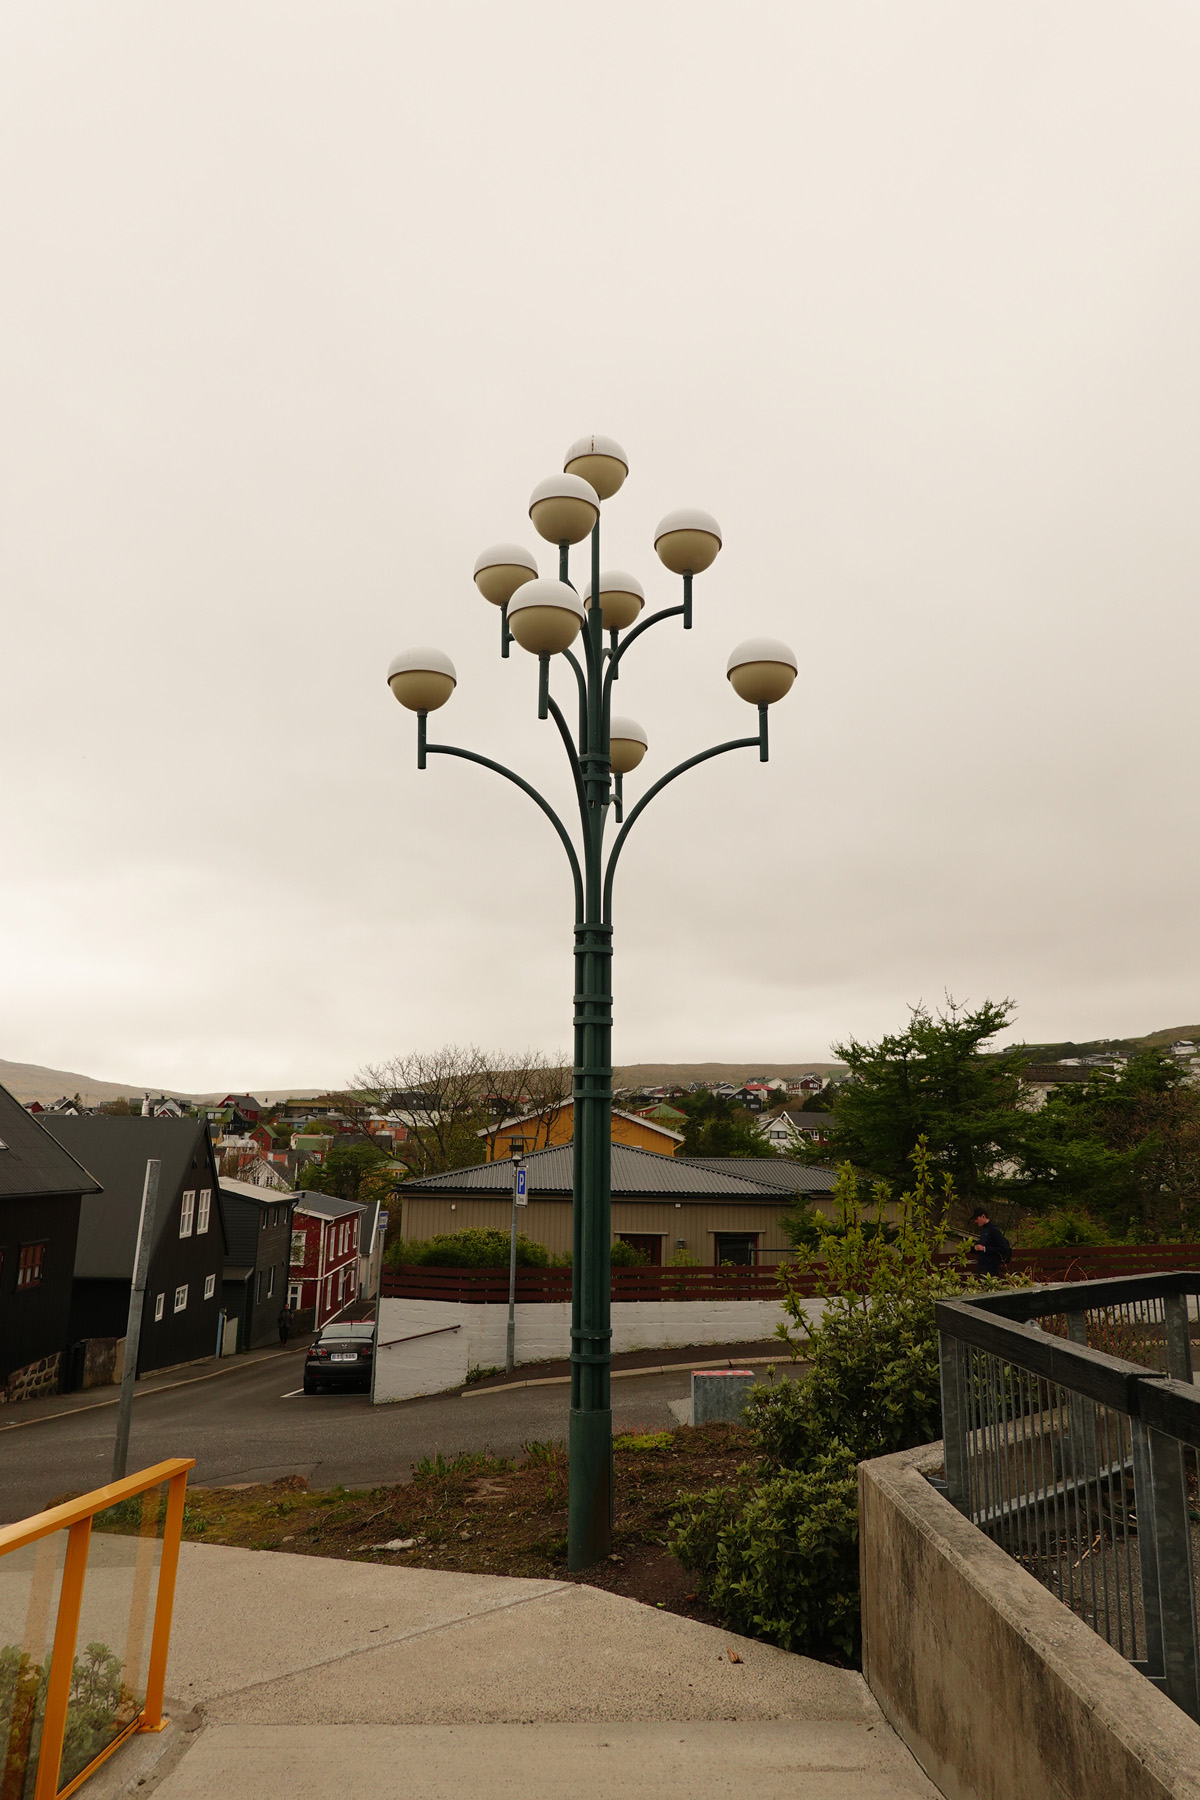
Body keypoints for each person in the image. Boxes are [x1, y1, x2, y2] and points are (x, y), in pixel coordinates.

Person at [971, 1207, 1011, 1278]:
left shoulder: (994, 1230)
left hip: (991, 1268)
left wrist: (984, 1249)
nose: (976, 1221)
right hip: (983, 1266)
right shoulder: (984, 1230)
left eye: (977, 1219)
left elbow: (1002, 1248)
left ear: (983, 1216)